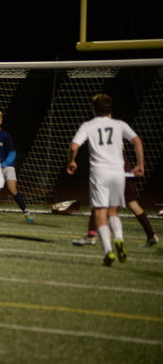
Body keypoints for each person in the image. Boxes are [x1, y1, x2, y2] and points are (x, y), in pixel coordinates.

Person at [66, 93, 144, 266]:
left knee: (100, 212)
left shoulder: (88, 125)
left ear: (93, 109)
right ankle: (119, 239)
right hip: (118, 172)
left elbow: (74, 146)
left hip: (99, 172)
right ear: (110, 108)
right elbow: (137, 141)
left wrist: (72, 161)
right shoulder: (119, 124)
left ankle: (108, 251)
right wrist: (140, 165)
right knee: (113, 212)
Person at [72, 150, 158, 247]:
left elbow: (137, 141)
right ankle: (151, 235)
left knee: (101, 204)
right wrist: (140, 164)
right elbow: (136, 142)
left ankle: (94, 237)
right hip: (123, 171)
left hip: (112, 172)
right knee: (131, 203)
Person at [0, 110, 33, 223]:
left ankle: (26, 212)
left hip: (8, 166)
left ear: (0, 122)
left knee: (12, 189)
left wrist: (4, 165)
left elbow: (12, 154)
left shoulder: (5, 135)